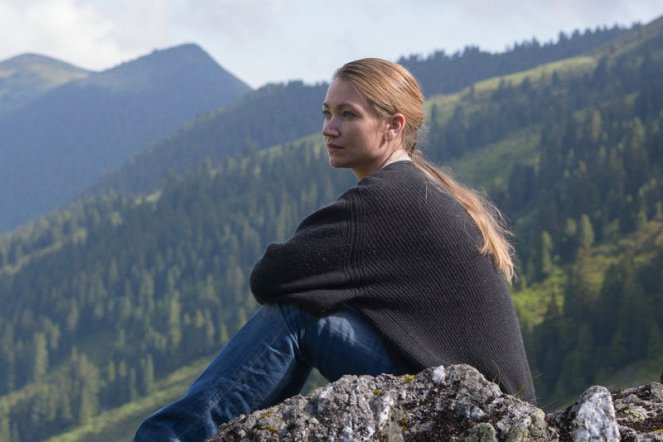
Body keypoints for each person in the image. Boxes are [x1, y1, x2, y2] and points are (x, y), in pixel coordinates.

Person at [134, 58, 535, 441]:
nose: (329, 128)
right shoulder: (419, 189)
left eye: (348, 114)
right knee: (313, 308)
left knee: (298, 315)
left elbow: (270, 276)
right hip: (485, 407)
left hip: (468, 412)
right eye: (327, 113)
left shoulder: (386, 199)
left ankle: (170, 438)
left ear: (393, 126)